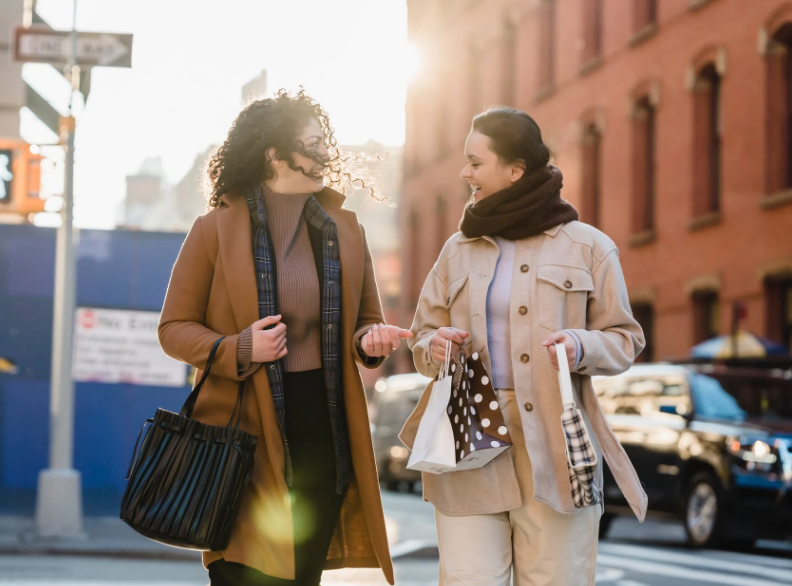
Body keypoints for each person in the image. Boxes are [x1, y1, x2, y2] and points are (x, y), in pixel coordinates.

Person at [158, 89, 410, 586]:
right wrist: (239, 348)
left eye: (324, 142)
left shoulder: (346, 230)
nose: (326, 154)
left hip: (323, 430)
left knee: (300, 579)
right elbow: (173, 328)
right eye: (313, 143)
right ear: (274, 153)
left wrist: (371, 341)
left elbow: (365, 322)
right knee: (243, 576)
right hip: (240, 440)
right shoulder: (213, 231)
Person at [400, 107, 647, 586]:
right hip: (468, 441)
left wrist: (580, 345)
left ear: (514, 171)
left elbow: (625, 339)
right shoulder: (457, 250)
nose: (464, 172)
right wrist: (434, 346)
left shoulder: (589, 247)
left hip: (557, 444)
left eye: (475, 162)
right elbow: (421, 337)